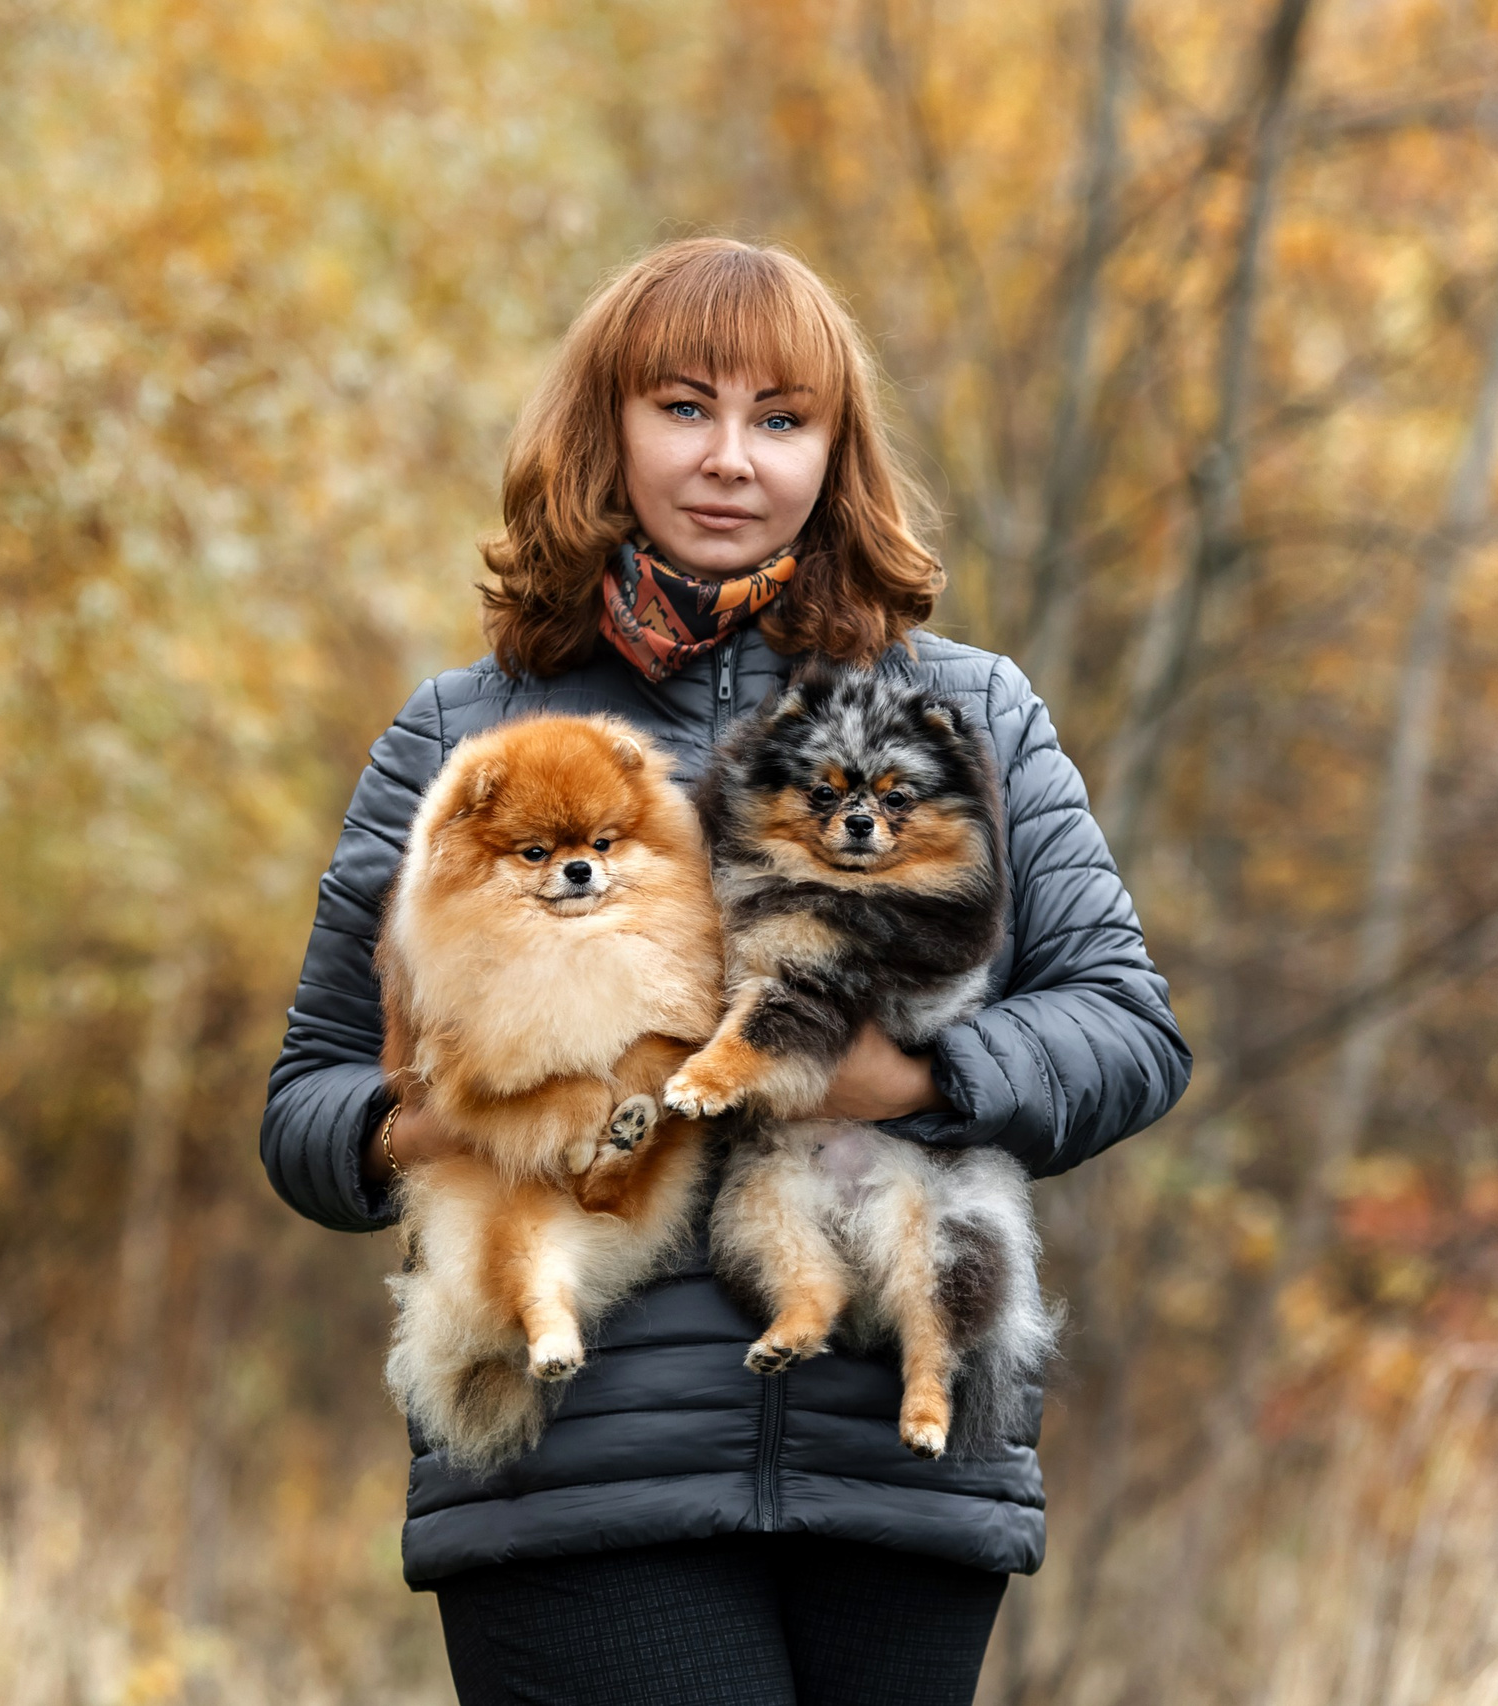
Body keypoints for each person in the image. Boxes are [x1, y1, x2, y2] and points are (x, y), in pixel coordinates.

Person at [261, 236, 1190, 1705]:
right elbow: (309, 1106)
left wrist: (917, 1078)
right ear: (608, 427)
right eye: (685, 407)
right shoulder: (465, 732)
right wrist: (447, 1122)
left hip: (898, 1459)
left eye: (782, 418)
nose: (731, 458)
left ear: (835, 449)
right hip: (577, 1464)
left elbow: (1128, 1029)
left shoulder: (971, 712)